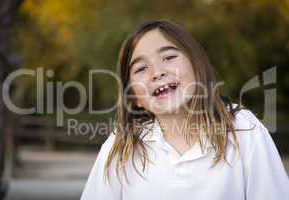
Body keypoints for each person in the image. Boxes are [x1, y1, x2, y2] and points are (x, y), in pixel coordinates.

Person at [81, 19, 289, 200]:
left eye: (169, 57)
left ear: (196, 65)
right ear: (134, 97)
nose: (157, 72)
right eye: (141, 69)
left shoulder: (244, 130)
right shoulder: (121, 146)